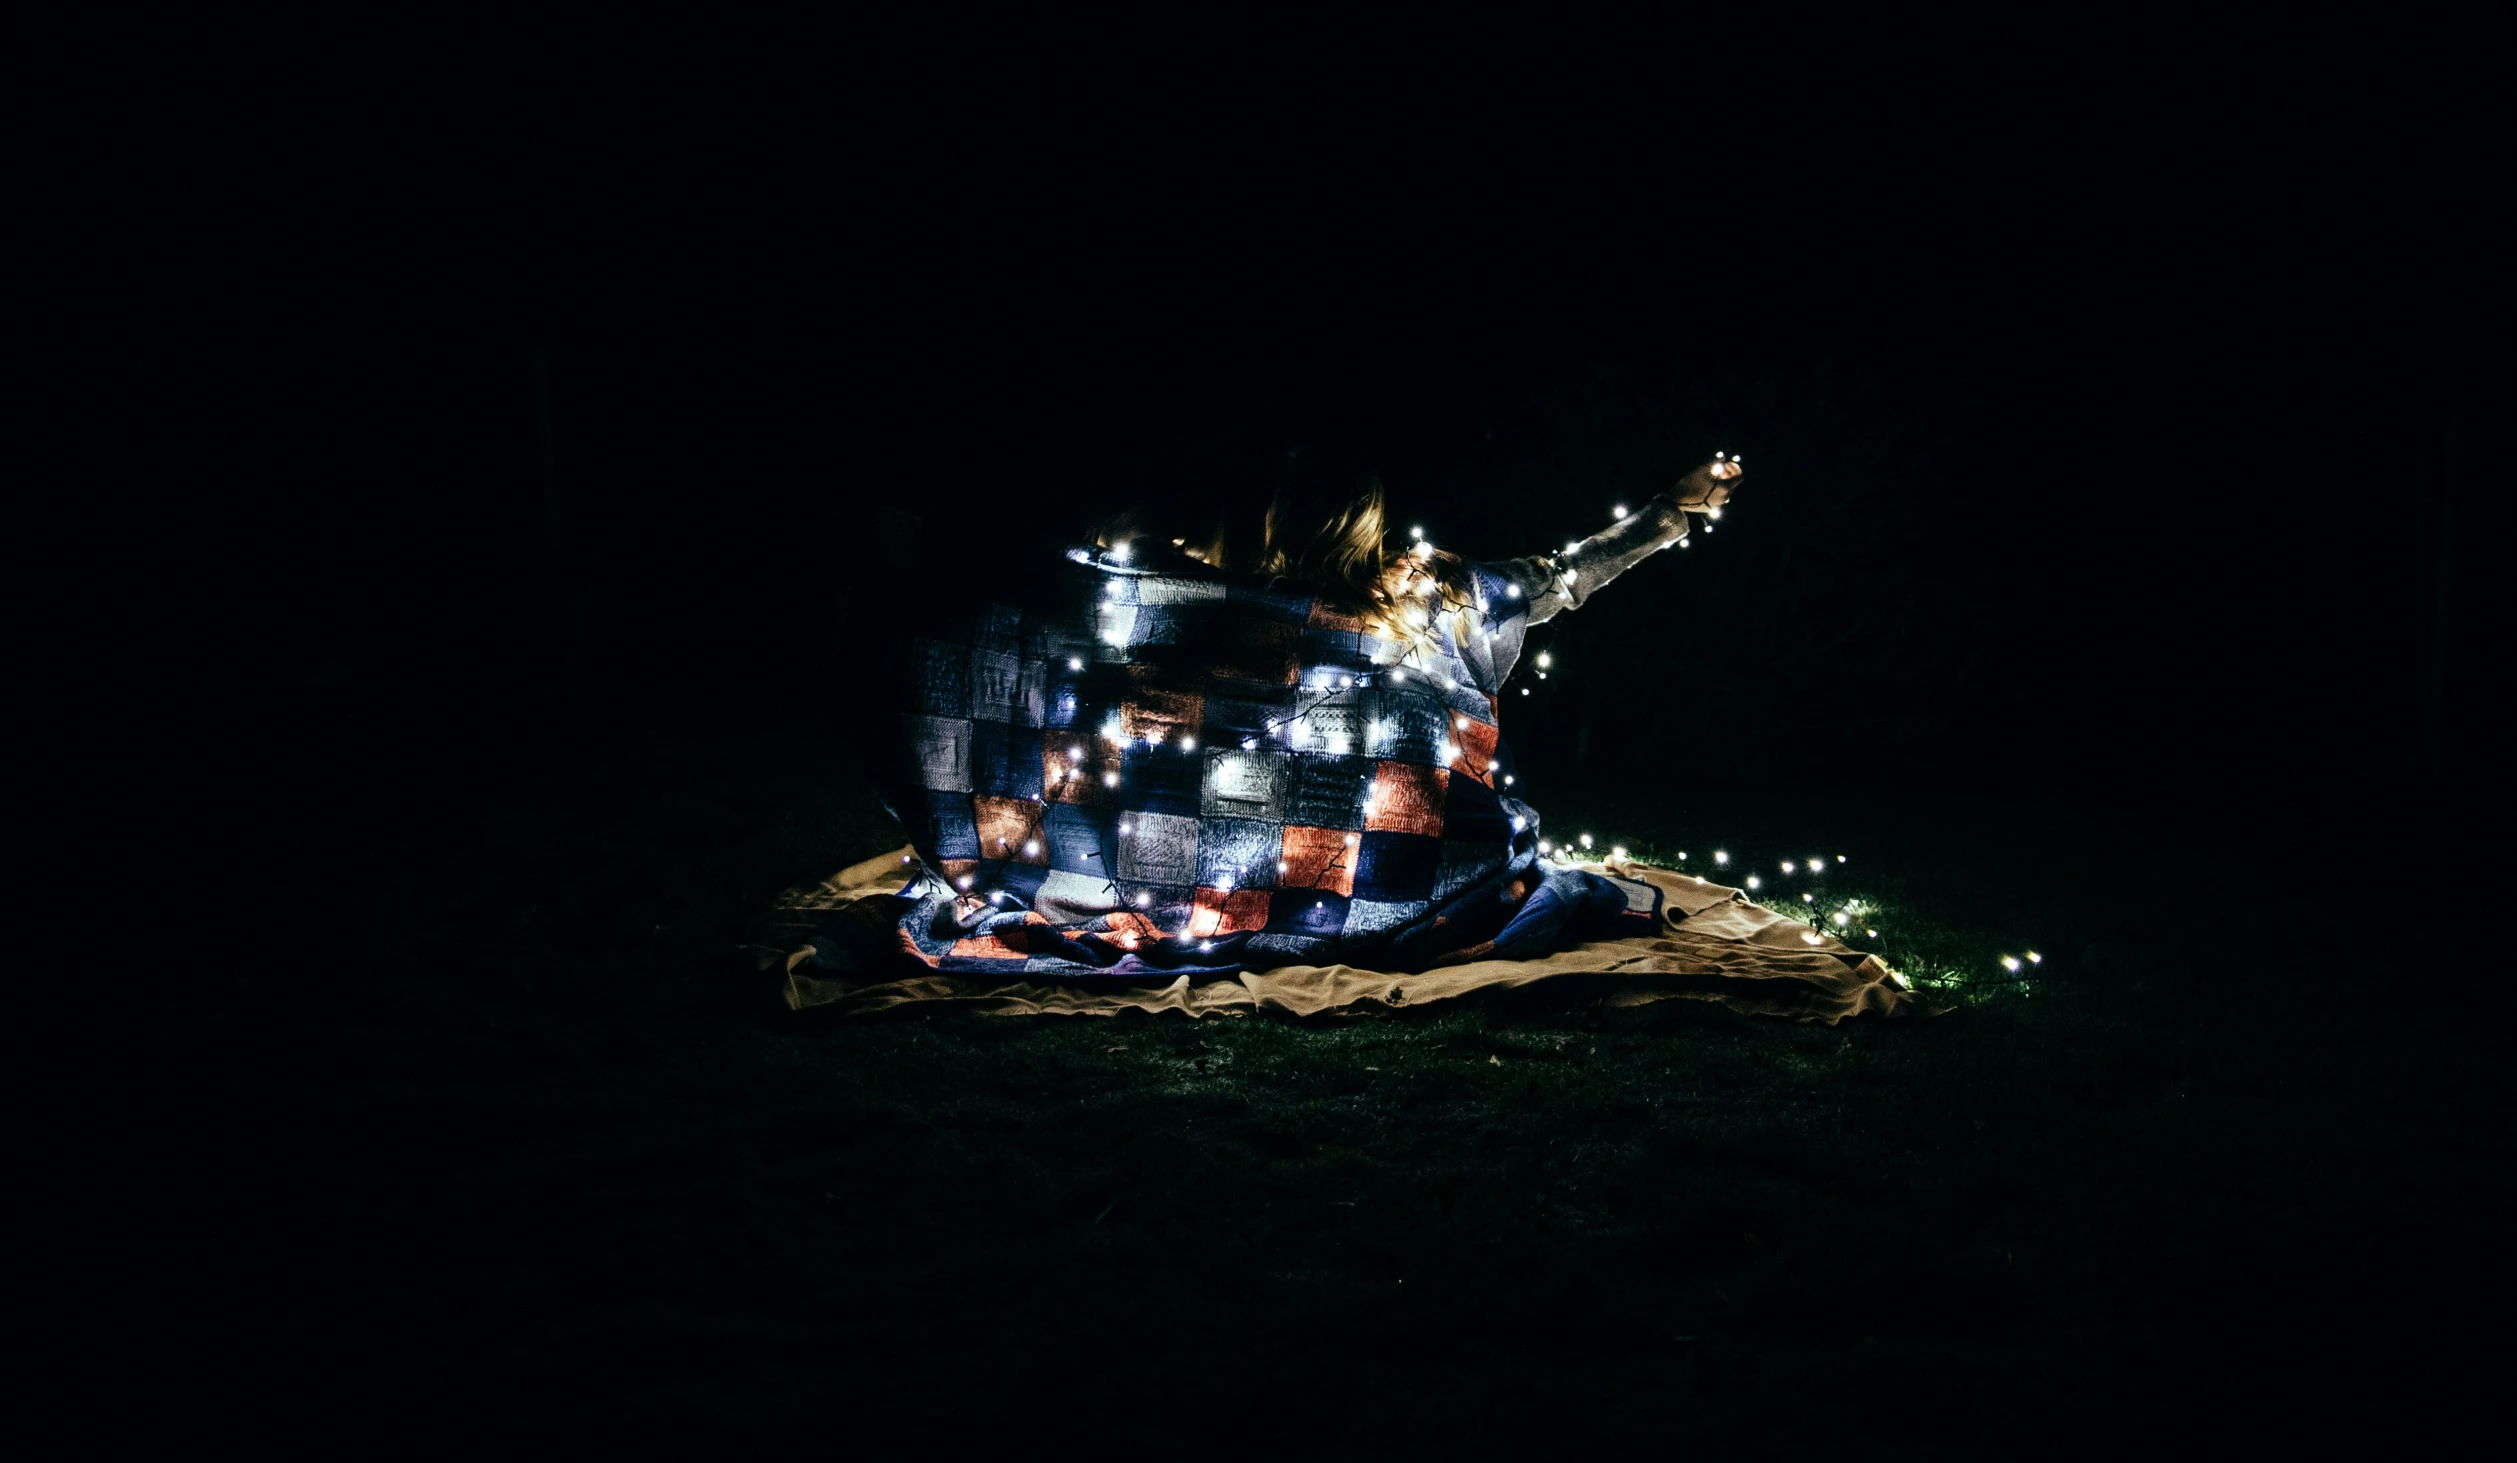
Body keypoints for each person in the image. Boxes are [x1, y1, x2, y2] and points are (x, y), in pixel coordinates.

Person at [849, 448, 1743, 980]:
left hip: (1204, 879)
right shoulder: (1418, 595)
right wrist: (1667, 514)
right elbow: (1558, 577)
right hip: (1402, 877)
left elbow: (1034, 587)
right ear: (1363, 521)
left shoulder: (1179, 594)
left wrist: (917, 542)